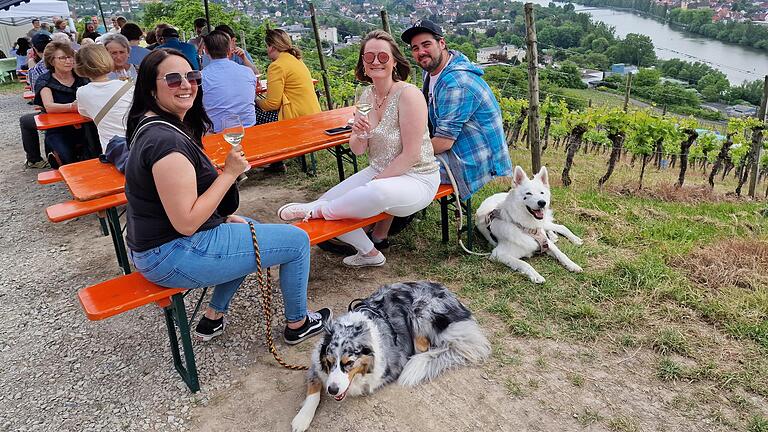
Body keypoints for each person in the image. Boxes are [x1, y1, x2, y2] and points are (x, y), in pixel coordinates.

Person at [124, 48, 331, 342]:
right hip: (172, 254)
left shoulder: (155, 125)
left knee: (245, 227)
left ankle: (213, 317)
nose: (185, 84)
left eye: (192, 76)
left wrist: (220, 214)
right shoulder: (166, 143)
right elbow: (186, 223)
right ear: (149, 87)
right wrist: (230, 173)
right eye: (172, 79)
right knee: (297, 240)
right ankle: (298, 324)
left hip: (160, 247)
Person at [277, 30, 439, 267]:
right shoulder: (366, 96)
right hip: (379, 171)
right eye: (369, 56)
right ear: (363, 63)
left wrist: (372, 184)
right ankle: (370, 253)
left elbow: (411, 155)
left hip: (417, 176)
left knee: (370, 195)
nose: (376, 62)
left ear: (394, 61)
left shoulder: (409, 95)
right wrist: (360, 134)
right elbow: (358, 150)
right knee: (339, 202)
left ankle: (317, 210)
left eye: (383, 57)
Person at [402, 20, 512, 200]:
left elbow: (444, 143)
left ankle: (389, 220)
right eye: (415, 48)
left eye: (426, 44)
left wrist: (404, 152)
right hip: (456, 146)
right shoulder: (432, 70)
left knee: (402, 170)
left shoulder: (456, 84)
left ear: (442, 43)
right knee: (392, 159)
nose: (421, 52)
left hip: (471, 159)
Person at [33, 41, 89, 166]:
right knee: (67, 158)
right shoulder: (45, 80)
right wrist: (72, 107)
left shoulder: (82, 76)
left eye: (70, 57)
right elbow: (49, 106)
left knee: (95, 152)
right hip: (59, 129)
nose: (68, 61)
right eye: (63, 58)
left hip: (86, 125)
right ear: (52, 61)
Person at [74, 44, 132, 152]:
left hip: (112, 151)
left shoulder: (82, 92)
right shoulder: (128, 86)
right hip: (137, 144)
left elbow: (85, 114)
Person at [201, 31, 257, 133]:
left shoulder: (202, 77)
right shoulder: (247, 71)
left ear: (206, 50)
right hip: (250, 128)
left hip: (218, 134)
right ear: (229, 49)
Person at [19, 33, 52, 169]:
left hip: (51, 111)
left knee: (25, 121)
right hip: (75, 107)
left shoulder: (36, 69)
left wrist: (32, 65)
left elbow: (35, 95)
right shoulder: (71, 61)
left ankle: (34, 159)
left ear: (34, 50)